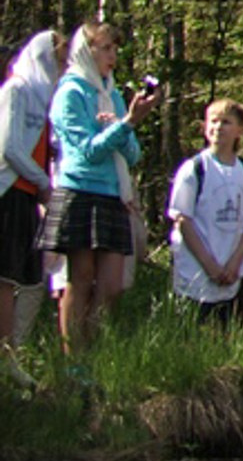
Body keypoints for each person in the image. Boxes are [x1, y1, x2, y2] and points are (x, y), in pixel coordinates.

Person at [41, 24, 161, 349]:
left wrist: (130, 123)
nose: (113, 56)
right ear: (86, 51)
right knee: (79, 281)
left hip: (112, 195)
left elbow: (132, 153)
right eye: (106, 48)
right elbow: (88, 152)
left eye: (115, 49)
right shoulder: (71, 93)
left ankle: (93, 354)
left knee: (111, 286)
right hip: (79, 192)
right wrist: (125, 125)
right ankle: (72, 362)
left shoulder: (113, 94)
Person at [166, 99, 243, 321]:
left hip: (230, 272)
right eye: (213, 121)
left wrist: (233, 264)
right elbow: (183, 219)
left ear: (239, 131)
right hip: (196, 271)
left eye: (226, 122)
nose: (218, 127)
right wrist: (210, 266)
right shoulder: (194, 169)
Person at [2, 30, 58, 347]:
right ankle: (4, 356)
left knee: (30, 277)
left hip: (28, 195)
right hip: (8, 192)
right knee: (6, 278)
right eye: (57, 60)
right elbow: (9, 147)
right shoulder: (17, 89)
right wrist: (42, 181)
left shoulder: (43, 99)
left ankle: (15, 352)